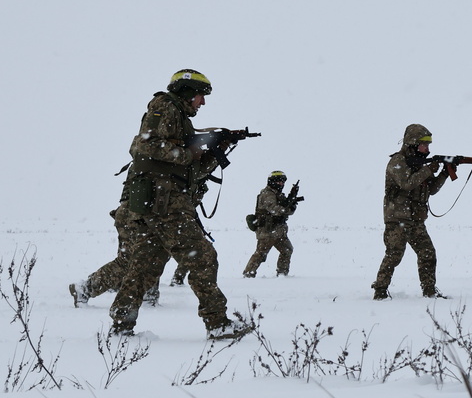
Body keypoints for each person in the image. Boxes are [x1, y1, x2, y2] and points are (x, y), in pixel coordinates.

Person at [108, 69, 249, 339]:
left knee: (145, 265)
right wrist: (189, 152)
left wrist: (220, 148)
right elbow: (144, 147)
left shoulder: (179, 118)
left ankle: (121, 324)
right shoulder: (165, 106)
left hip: (159, 201)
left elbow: (191, 171)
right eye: (199, 96)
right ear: (186, 92)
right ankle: (217, 323)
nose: (202, 103)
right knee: (203, 259)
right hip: (164, 201)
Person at [371, 124, 454, 300]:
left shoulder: (421, 164)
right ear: (413, 143)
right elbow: (406, 183)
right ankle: (380, 291)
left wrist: (445, 174)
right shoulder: (398, 161)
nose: (428, 148)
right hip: (398, 217)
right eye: (424, 144)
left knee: (427, 253)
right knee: (394, 254)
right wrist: (429, 169)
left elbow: (431, 189)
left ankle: (429, 291)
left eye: (428, 144)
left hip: (415, 218)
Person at [69, 198, 165, 307]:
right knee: (128, 261)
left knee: (153, 256)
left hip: (146, 216)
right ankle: (85, 289)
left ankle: (147, 296)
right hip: (135, 216)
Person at [243, 170, 300, 278]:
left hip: (279, 230)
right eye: (279, 182)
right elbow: (274, 209)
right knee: (261, 254)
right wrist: (287, 209)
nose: (281, 184)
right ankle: (248, 274)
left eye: (283, 182)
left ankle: (282, 274)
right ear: (272, 181)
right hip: (267, 230)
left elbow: (286, 210)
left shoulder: (278, 194)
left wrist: (291, 203)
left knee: (287, 250)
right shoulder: (267, 194)